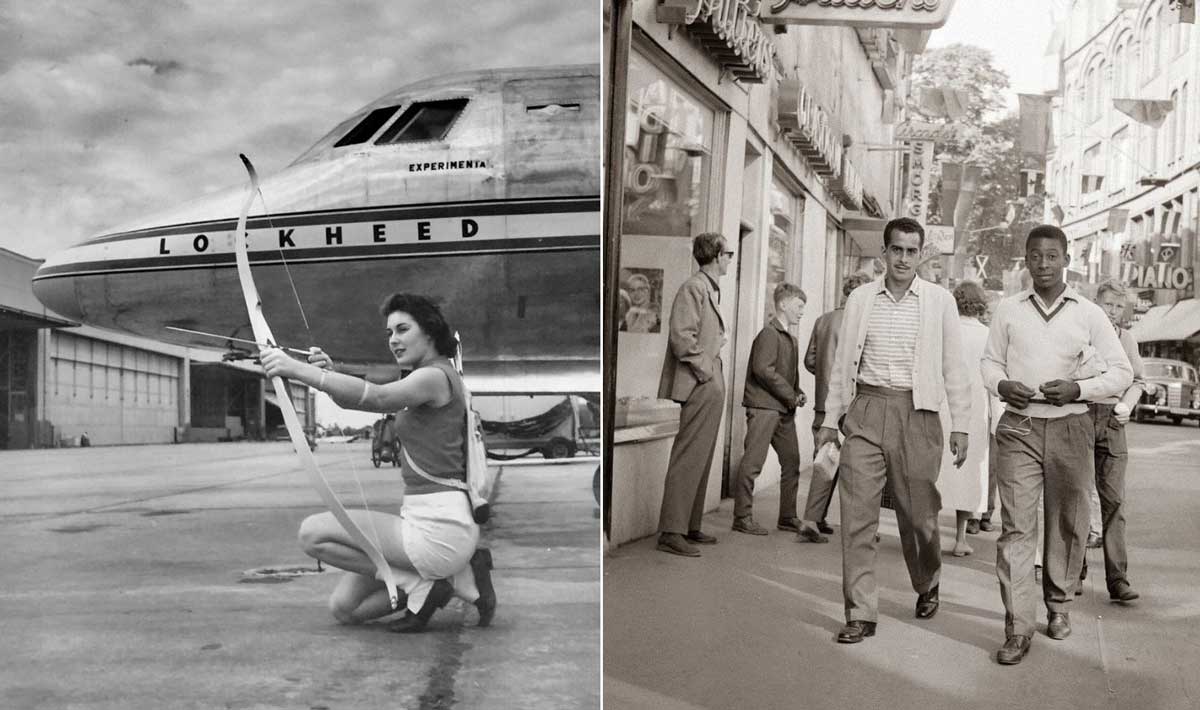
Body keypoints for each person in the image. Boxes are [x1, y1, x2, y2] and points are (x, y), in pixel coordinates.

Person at [260, 293, 496, 632]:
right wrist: (329, 374)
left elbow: (379, 397)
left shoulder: (435, 376)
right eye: (389, 334)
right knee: (345, 609)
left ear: (429, 330)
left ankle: (430, 584)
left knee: (312, 534)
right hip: (427, 524)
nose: (394, 341)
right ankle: (449, 578)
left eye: (402, 329)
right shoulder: (424, 378)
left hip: (439, 529)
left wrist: (294, 369)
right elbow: (362, 396)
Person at [814, 217, 971, 644]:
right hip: (865, 409)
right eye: (896, 250)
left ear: (921, 254)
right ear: (883, 253)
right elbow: (843, 365)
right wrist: (831, 421)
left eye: (911, 251)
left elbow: (955, 366)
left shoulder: (939, 301)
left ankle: (927, 580)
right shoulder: (863, 299)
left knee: (918, 513)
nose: (903, 258)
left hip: (917, 414)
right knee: (857, 515)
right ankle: (860, 612)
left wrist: (962, 424)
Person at [981, 225, 1132, 665]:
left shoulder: (1088, 313)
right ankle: (1017, 625)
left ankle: (1059, 605)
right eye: (1035, 256)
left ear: (1066, 258)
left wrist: (1079, 389)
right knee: (1016, 527)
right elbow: (989, 362)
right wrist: (1002, 384)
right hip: (1019, 428)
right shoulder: (1008, 310)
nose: (1043, 264)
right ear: (1024, 260)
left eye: (1051, 256)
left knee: (1067, 521)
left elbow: (1121, 373)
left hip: (1070, 427)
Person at [655, 232, 732, 557]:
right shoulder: (694, 287)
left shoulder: (706, 289)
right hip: (700, 381)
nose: (730, 258)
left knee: (701, 455)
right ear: (715, 255)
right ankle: (672, 530)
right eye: (728, 252)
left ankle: (688, 525)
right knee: (689, 455)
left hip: (706, 381)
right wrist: (706, 372)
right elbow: (682, 337)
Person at [1082, 279, 1145, 602]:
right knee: (1076, 496)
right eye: (1109, 305)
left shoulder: (1127, 338)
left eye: (1119, 307)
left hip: (1113, 420)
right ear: (1097, 303)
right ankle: (1072, 571)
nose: (1114, 312)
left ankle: (1117, 579)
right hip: (1080, 415)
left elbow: (1139, 379)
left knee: (1114, 501)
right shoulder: (1083, 331)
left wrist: (1127, 405)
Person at [731, 283, 807, 537]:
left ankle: (787, 516)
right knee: (753, 463)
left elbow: (783, 373)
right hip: (764, 407)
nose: (801, 312)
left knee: (792, 461)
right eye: (799, 306)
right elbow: (763, 370)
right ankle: (742, 517)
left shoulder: (788, 337)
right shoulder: (769, 334)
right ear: (783, 305)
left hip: (781, 409)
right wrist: (791, 394)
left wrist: (797, 392)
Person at [802, 272, 872, 539]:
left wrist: (824, 377)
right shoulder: (862, 322)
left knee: (824, 459)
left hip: (824, 402)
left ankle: (814, 518)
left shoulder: (823, 320)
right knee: (860, 467)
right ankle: (854, 526)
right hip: (855, 404)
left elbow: (810, 361)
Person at [937, 281, 999, 558]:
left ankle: (929, 534)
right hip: (975, 411)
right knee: (969, 471)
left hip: (944, 406)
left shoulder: (944, 332)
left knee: (937, 470)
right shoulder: (988, 336)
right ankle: (961, 538)